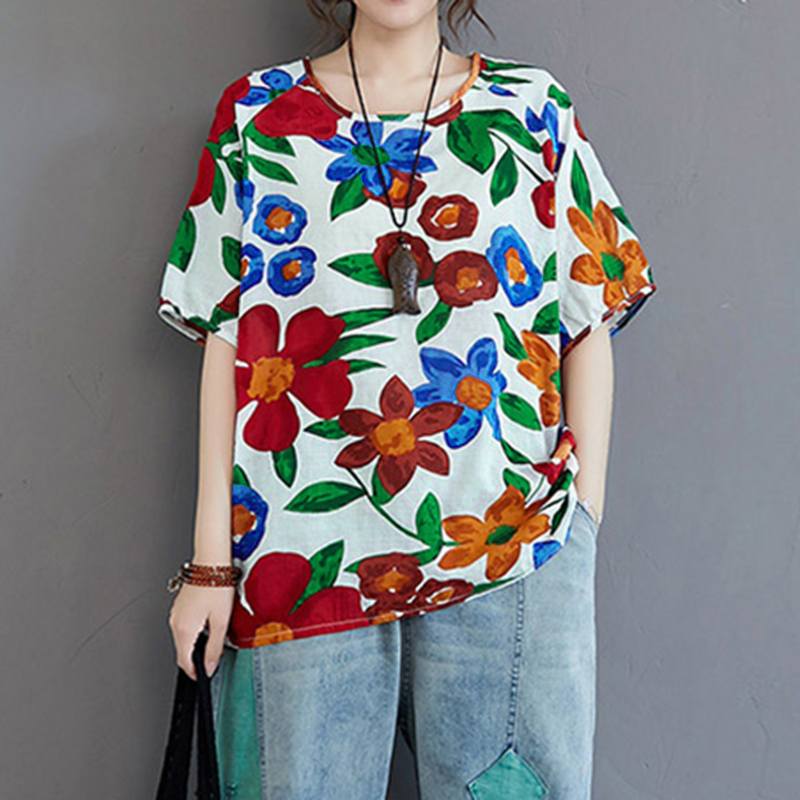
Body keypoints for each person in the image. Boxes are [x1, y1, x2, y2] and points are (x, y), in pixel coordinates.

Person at [156, 1, 657, 797]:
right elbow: (228, 339)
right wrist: (211, 565)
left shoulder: (531, 110)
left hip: (512, 546)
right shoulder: (257, 116)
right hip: (300, 563)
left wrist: (582, 523)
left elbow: (587, 314)